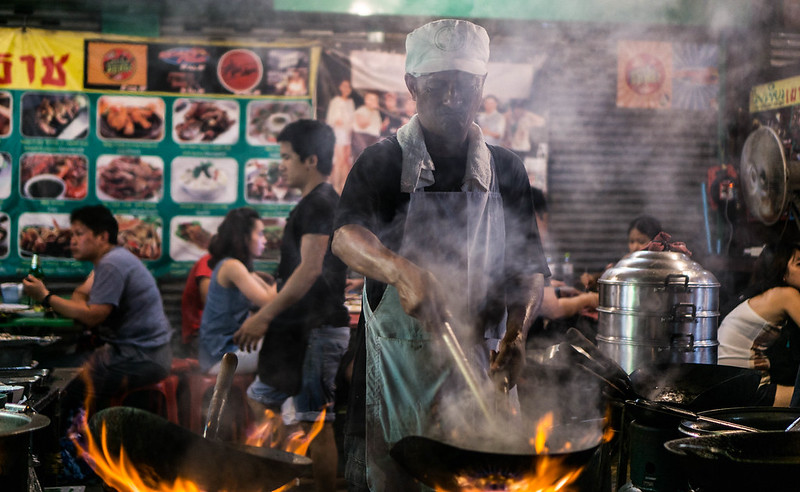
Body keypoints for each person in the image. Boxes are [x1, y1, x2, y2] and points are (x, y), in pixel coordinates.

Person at [330, 19, 549, 490]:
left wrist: (518, 332)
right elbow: (346, 236)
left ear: (483, 87)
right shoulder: (384, 160)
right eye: (438, 86)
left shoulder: (507, 169)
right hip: (396, 370)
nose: (452, 99)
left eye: (464, 86)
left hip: (481, 368)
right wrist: (400, 270)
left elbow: (528, 267)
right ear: (412, 86)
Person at [233, 119, 350, 492]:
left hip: (316, 330)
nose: (280, 165)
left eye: (286, 157)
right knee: (262, 400)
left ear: (310, 160)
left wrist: (264, 316)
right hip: (300, 330)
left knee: (318, 423)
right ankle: (289, 476)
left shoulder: (320, 203)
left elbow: (311, 269)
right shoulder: (313, 204)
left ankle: (318, 486)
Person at [22, 205, 172, 413]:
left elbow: (93, 316)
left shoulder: (112, 263)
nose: (72, 240)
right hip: (137, 355)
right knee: (50, 366)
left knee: (56, 378)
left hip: (141, 359)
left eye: (79, 234)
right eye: (72, 234)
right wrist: (58, 300)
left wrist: (45, 297)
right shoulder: (112, 259)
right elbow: (81, 295)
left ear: (102, 236)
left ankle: (69, 441)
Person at [718, 241, 800, 407]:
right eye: (799, 264)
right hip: (746, 389)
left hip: (730, 384)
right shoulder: (786, 295)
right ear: (782, 271)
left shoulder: (763, 294)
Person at [198, 207, 276, 374]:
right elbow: (270, 302)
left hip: (225, 351)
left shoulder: (236, 267)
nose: (265, 240)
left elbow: (271, 295)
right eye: (260, 234)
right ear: (244, 238)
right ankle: (267, 399)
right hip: (222, 356)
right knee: (291, 349)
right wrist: (291, 271)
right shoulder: (232, 266)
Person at [326, 79, 356, 194]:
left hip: (348, 134)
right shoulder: (336, 101)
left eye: (348, 86)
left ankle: (344, 185)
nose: (346, 89)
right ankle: (335, 186)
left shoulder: (351, 102)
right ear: (340, 87)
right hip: (338, 133)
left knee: (346, 160)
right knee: (339, 160)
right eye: (344, 86)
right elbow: (330, 119)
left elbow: (353, 119)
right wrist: (336, 121)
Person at [180, 252, 212, 356]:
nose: (264, 240)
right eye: (259, 234)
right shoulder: (209, 261)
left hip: (218, 333)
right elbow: (210, 303)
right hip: (202, 334)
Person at [350, 91, 382, 161]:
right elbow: (362, 125)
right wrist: (371, 112)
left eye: (375, 100)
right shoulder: (361, 110)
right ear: (366, 100)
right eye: (371, 99)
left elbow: (377, 128)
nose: (374, 101)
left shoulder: (376, 112)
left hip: (374, 137)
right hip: (361, 137)